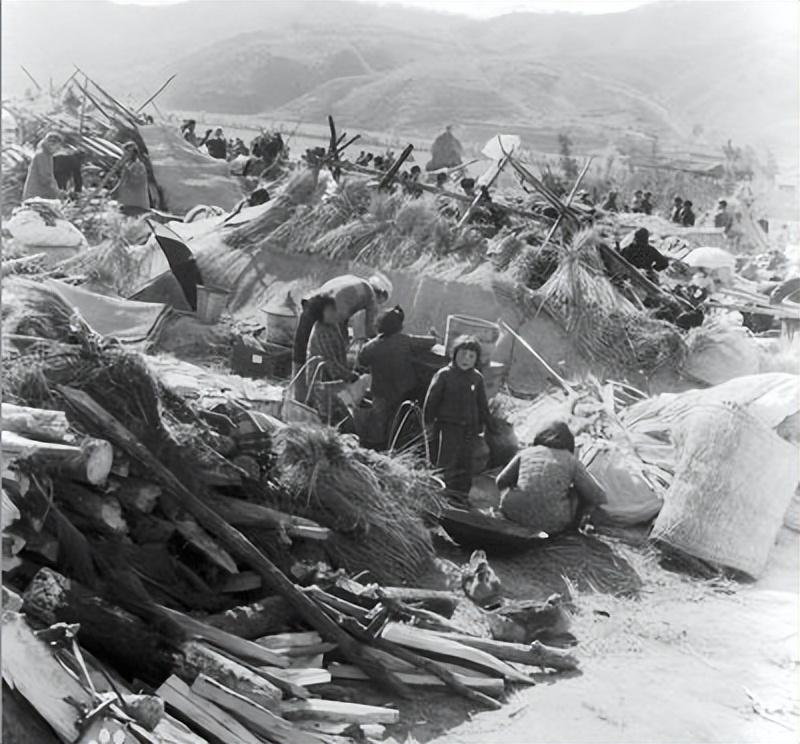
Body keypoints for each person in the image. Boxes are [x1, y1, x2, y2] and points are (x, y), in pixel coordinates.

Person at [496, 421, 606, 535]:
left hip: (513, 514)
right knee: (577, 492)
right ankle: (574, 529)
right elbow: (597, 496)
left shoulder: (526, 453)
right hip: (553, 522)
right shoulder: (571, 460)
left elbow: (501, 481)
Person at [423, 336, 493, 495]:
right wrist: (428, 423)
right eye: (462, 354)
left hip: (469, 429)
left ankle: (460, 496)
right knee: (445, 463)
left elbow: (482, 404)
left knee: (465, 464)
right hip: (447, 427)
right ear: (454, 354)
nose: (466, 359)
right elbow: (431, 401)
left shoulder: (476, 378)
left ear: (476, 360)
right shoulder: (444, 375)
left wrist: (489, 423)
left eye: (471, 356)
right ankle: (439, 495)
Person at [357, 306, 417, 450]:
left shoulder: (371, 346)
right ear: (399, 327)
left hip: (380, 390)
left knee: (379, 420)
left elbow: (362, 360)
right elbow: (429, 342)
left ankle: (377, 447)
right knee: (396, 419)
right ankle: (394, 446)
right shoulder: (405, 340)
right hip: (403, 389)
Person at [316, 273, 392, 340]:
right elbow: (370, 329)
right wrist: (378, 342)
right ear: (381, 294)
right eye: (381, 302)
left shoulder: (353, 280)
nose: (379, 305)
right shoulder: (370, 295)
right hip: (329, 313)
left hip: (315, 302)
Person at [112, 142, 149, 217]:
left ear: (133, 153)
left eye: (127, 153)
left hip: (136, 201)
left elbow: (136, 182)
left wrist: (128, 173)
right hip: (126, 199)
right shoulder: (127, 165)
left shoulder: (139, 166)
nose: (124, 155)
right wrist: (115, 189)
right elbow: (122, 180)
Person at [23, 131, 63, 200]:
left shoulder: (48, 155)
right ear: (51, 144)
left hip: (40, 194)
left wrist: (57, 190)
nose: (57, 150)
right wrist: (57, 193)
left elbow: (50, 176)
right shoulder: (41, 155)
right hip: (36, 195)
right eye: (57, 147)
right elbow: (45, 178)